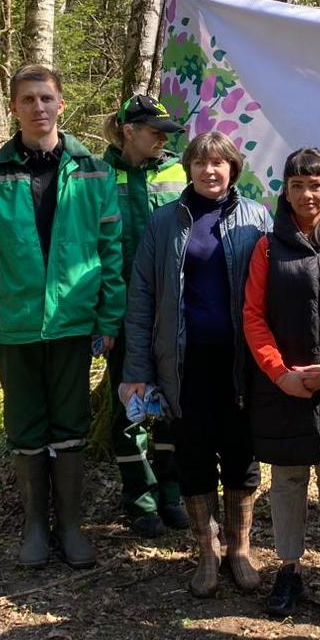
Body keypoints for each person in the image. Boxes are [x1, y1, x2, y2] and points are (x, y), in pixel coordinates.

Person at [0, 64, 125, 570]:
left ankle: (71, 525)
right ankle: (35, 526)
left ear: (61, 105)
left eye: (46, 98)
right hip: (16, 322)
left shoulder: (94, 170)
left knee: (70, 422)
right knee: (26, 422)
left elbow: (111, 250)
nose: (38, 108)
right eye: (27, 100)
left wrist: (109, 317)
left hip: (75, 321)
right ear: (14, 108)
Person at [121, 131, 270, 597]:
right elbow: (142, 297)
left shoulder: (257, 217)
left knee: (242, 457)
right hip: (182, 367)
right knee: (195, 457)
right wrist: (137, 370)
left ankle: (240, 550)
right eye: (201, 163)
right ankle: (207, 552)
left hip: (240, 366)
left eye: (219, 163)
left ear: (233, 169)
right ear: (188, 169)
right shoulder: (165, 222)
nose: (210, 171)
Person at [243, 148, 320, 624]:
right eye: (297, 185)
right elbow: (253, 317)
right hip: (282, 385)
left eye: (315, 184)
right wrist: (280, 373)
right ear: (285, 191)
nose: (306, 194)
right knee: (288, 479)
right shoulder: (268, 247)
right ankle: (288, 568)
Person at [101, 94, 189, 538]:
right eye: (154, 132)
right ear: (129, 131)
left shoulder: (178, 171)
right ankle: (139, 500)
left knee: (172, 407)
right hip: (120, 316)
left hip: (172, 313)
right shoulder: (95, 176)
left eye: (166, 134)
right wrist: (102, 318)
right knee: (131, 409)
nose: (161, 140)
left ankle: (172, 494)